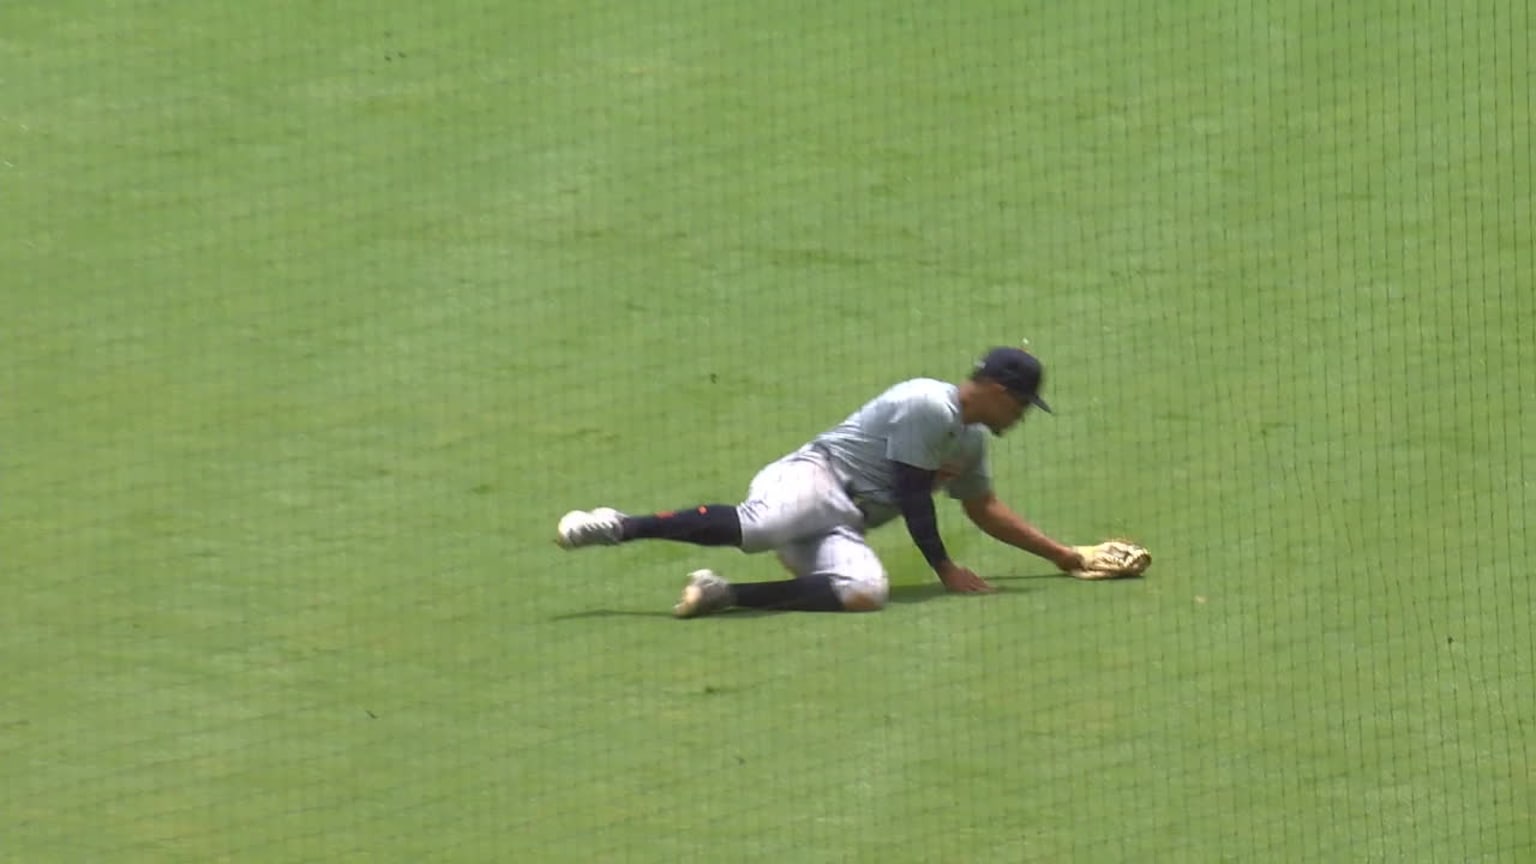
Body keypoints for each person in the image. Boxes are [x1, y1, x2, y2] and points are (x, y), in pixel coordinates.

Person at [555, 346, 1089, 618]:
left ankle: (724, 594)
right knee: (760, 528)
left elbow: (984, 508)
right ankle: (618, 526)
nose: (1021, 415)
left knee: (867, 592)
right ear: (997, 391)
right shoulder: (928, 403)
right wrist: (945, 569)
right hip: (814, 478)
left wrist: (1064, 556)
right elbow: (912, 493)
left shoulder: (970, 441)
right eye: (1021, 404)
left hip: (842, 522)